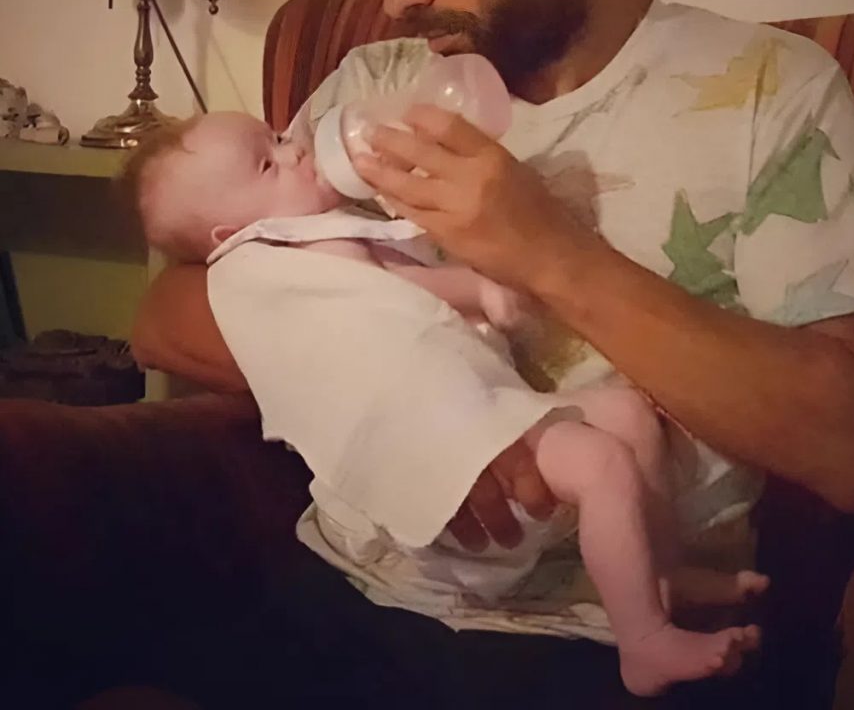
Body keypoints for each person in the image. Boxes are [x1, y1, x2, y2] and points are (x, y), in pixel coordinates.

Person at [132, 0, 854, 707]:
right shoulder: (375, 81)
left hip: (602, 634)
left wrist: (551, 252)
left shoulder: (771, 93)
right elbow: (169, 314)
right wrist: (409, 418)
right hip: (343, 589)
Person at [125, 109, 768, 696]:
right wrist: (479, 297)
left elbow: (407, 286)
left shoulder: (327, 240)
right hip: (455, 454)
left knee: (628, 414)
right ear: (234, 232)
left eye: (278, 136)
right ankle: (644, 640)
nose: (295, 147)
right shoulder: (286, 263)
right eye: (268, 163)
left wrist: (480, 292)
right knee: (604, 465)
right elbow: (370, 324)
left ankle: (661, 572)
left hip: (492, 409)